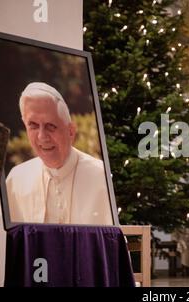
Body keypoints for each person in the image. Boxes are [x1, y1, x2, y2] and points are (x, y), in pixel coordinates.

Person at [6, 82, 113, 225]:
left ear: (70, 131)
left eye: (50, 126)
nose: (42, 137)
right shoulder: (16, 180)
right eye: (33, 126)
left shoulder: (103, 177)